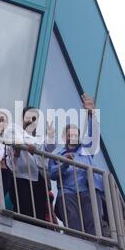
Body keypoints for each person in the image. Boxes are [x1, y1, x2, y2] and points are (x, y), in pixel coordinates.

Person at [48, 93, 104, 235]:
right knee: (74, 227)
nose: (72, 137)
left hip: (88, 191)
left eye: (74, 134)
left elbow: (94, 135)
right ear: (64, 137)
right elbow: (52, 174)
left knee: (93, 226)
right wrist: (65, 164)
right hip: (68, 194)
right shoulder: (57, 154)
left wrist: (91, 114)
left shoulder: (86, 148)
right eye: (69, 134)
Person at [8, 107, 56, 223]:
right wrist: (28, 145)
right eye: (28, 118)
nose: (30, 121)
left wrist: (50, 135)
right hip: (19, 176)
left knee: (39, 213)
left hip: (36, 178)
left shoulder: (38, 139)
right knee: (23, 210)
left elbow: (50, 147)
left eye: (34, 119)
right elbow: (15, 140)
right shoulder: (14, 128)